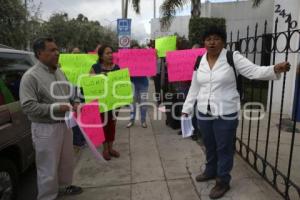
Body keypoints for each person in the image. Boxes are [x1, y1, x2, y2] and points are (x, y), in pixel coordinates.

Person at [182, 26, 290, 199]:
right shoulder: (199, 60)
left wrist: (274, 69)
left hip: (226, 112)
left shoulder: (233, 57)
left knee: (224, 148)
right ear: (204, 42)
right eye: (208, 39)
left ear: (223, 41)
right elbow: (195, 86)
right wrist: (186, 109)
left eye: (216, 38)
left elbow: (254, 71)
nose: (212, 42)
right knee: (209, 144)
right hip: (203, 112)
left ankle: (222, 180)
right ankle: (210, 171)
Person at [20, 37, 83, 200]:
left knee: (66, 161)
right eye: (52, 50)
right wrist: (56, 107)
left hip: (66, 124)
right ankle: (47, 196)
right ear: (40, 53)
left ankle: (64, 187)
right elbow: (27, 106)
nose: (57, 53)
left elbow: (71, 92)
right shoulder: (30, 77)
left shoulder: (59, 71)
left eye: (57, 49)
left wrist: (75, 102)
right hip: (46, 128)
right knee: (47, 167)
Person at [90, 45, 120, 161]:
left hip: (114, 102)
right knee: (103, 125)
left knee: (112, 125)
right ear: (101, 56)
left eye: (111, 53)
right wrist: (99, 77)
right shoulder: (95, 68)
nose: (110, 55)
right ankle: (105, 149)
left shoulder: (116, 67)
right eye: (107, 53)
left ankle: (111, 148)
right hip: (101, 103)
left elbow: (121, 84)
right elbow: (90, 83)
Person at [126, 44, 149, 128]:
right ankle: (131, 120)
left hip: (143, 84)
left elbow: (152, 64)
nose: (135, 51)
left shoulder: (144, 59)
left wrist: (154, 54)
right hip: (132, 84)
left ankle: (143, 121)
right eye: (133, 50)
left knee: (143, 103)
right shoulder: (127, 60)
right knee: (132, 104)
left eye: (137, 49)